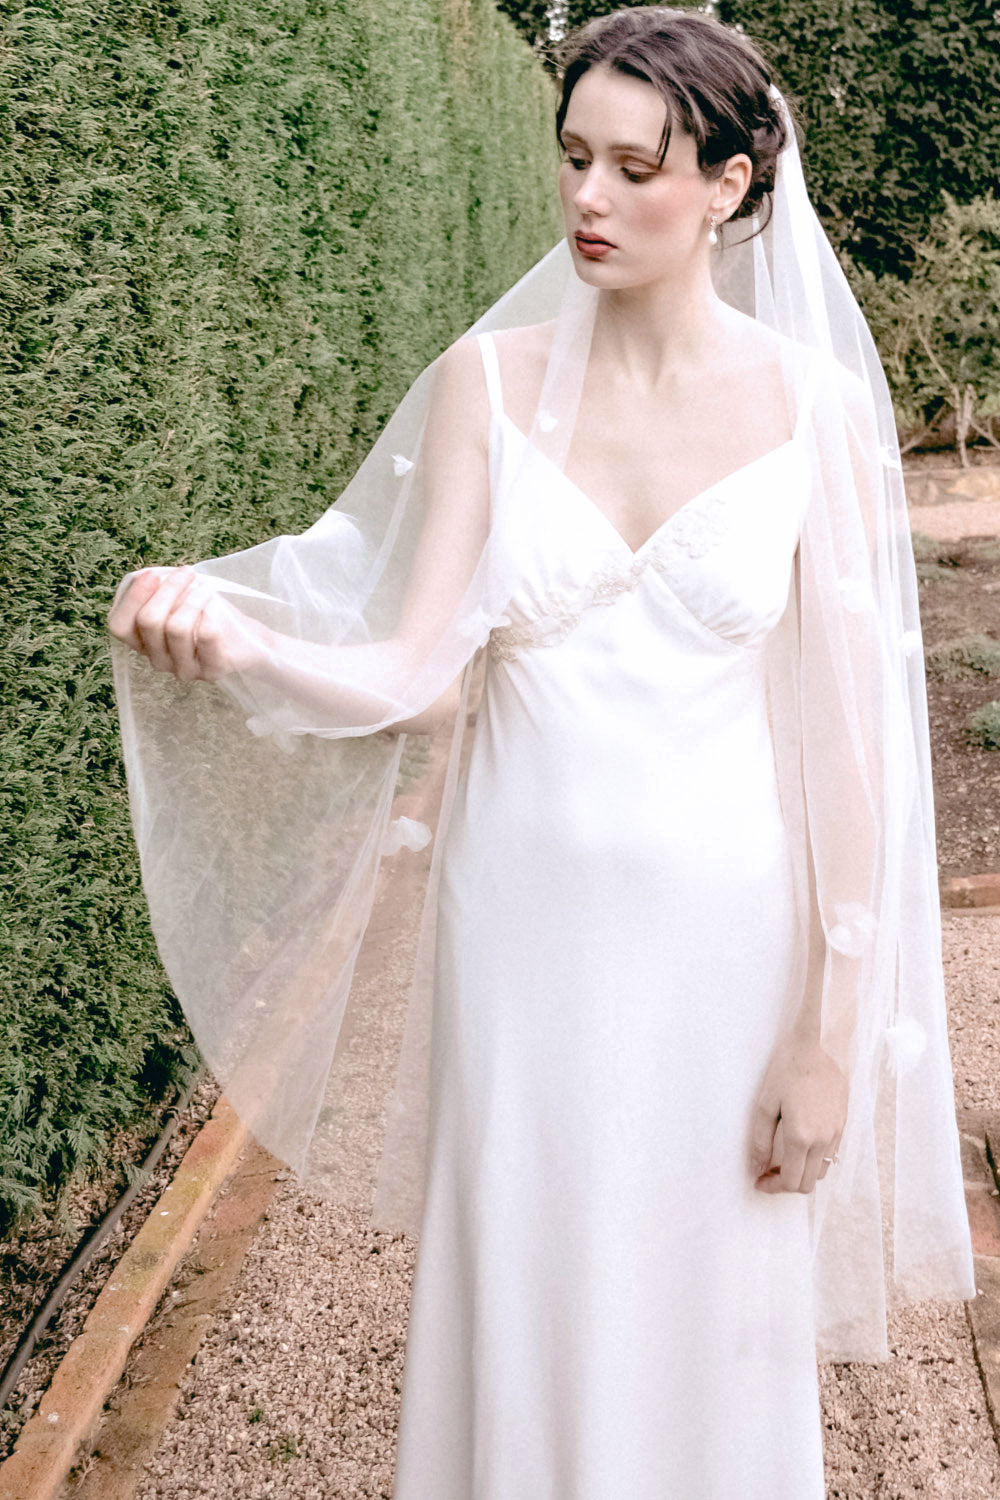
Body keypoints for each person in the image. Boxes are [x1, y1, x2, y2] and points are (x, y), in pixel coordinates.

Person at [107, 8, 975, 1495]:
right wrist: (236, 634)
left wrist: (828, 1031)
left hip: (730, 939)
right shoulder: (489, 390)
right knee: (523, 1274)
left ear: (730, 185)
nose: (589, 198)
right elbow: (411, 672)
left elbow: (852, 752)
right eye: (574, 156)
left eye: (637, 167)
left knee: (714, 1297)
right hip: (520, 929)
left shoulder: (816, 414)